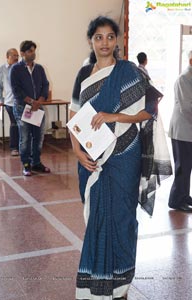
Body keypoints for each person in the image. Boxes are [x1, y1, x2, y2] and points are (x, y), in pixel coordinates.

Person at [69, 16, 171, 300]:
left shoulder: (130, 72)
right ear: (91, 41)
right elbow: (74, 118)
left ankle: (122, 284)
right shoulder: (83, 76)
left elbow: (148, 111)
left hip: (125, 155)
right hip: (93, 158)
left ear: (118, 40)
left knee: (123, 219)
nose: (104, 42)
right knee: (97, 218)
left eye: (110, 37)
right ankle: (97, 284)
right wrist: (77, 151)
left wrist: (115, 116)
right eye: (98, 37)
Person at [10, 40, 50, 176]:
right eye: (30, 51)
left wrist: (39, 101)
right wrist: (32, 102)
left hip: (37, 108)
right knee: (25, 137)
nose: (33, 53)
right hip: (23, 108)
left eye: (34, 51)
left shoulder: (39, 68)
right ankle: (26, 164)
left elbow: (45, 85)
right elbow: (16, 90)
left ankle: (36, 163)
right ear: (22, 53)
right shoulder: (16, 69)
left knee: (38, 137)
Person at [168, 50, 192, 212]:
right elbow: (187, 108)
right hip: (183, 131)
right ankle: (176, 200)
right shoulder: (184, 79)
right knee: (182, 167)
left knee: (187, 165)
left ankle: (184, 195)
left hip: (188, 131)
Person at [0, 48, 19, 156]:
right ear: (7, 56)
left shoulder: (21, 68)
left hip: (23, 102)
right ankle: (14, 147)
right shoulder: (1, 70)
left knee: (24, 125)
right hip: (10, 102)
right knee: (14, 124)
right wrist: (0, 100)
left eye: (17, 55)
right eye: (14, 55)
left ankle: (24, 146)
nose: (16, 58)